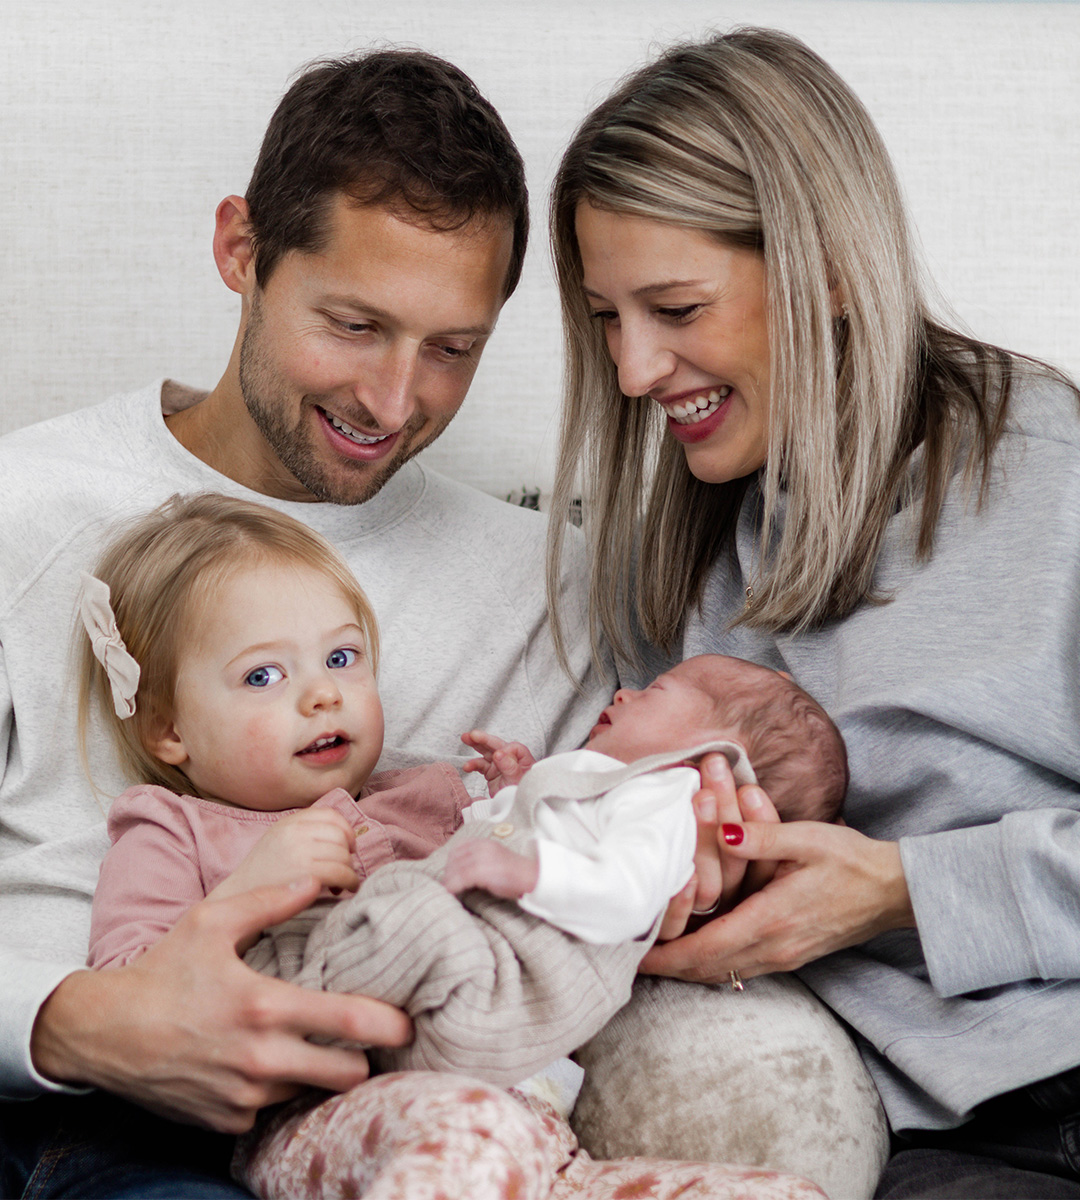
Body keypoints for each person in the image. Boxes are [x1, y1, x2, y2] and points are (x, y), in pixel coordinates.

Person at [0, 49, 609, 1200]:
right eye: (353, 324)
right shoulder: (24, 508)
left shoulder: (551, 593)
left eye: (452, 350)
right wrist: (73, 1027)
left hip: (380, 1137)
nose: (392, 402)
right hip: (57, 1124)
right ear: (241, 250)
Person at [546, 23, 1080, 1200]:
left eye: (676, 309)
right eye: (605, 317)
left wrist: (901, 894)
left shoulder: (1049, 473)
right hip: (861, 1134)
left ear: (828, 268)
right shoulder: (684, 549)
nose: (634, 372)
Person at [78, 492, 833, 1200]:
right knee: (472, 1138)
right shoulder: (171, 828)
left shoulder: (429, 794)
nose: (322, 695)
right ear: (169, 730)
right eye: (265, 675)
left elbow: (534, 893)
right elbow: (128, 998)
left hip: (542, 1124)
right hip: (332, 1119)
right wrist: (252, 889)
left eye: (342, 659)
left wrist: (529, 790)